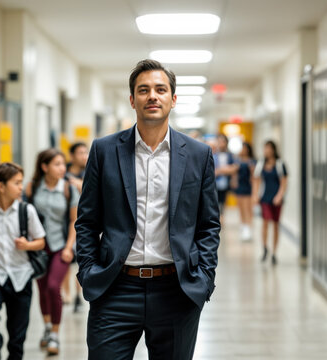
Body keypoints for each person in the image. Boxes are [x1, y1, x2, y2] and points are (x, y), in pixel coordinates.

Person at [76, 59, 221, 360]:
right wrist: (89, 271)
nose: (152, 96)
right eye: (143, 90)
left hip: (176, 290)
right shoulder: (104, 151)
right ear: (132, 100)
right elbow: (87, 221)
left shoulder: (197, 154)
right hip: (115, 287)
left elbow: (208, 224)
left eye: (160, 89)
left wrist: (204, 278)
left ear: (173, 99)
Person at [0, 163, 47, 360]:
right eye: (16, 183)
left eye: (21, 182)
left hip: (21, 275)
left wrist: (27, 245)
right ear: (1, 186)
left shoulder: (27, 211)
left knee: (17, 333)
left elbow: (41, 242)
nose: (21, 187)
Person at [26, 149, 79, 356]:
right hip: (38, 247)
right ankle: (47, 327)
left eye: (62, 164)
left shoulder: (68, 189)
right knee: (42, 289)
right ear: (44, 166)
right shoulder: (33, 188)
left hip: (60, 247)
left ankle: (55, 333)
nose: (62, 168)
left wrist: (69, 247)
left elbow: (74, 221)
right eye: (57, 164)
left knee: (53, 286)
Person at [252, 141, 288, 265]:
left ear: (273, 149)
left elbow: (284, 182)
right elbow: (256, 180)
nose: (266, 150)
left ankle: (274, 252)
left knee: (276, 224)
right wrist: (255, 195)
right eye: (265, 148)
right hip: (265, 198)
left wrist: (279, 196)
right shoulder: (261, 164)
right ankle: (265, 247)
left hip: (276, 198)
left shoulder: (280, 164)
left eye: (268, 148)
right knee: (265, 222)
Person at [64, 142, 88, 312]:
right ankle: (66, 293)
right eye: (80, 152)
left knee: (80, 260)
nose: (84, 156)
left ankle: (78, 296)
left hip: (84, 221)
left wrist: (80, 185)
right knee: (66, 259)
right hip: (65, 220)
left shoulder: (91, 171)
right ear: (72, 155)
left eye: (86, 152)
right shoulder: (63, 173)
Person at [233, 142, 256, 241]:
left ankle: (248, 227)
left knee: (248, 208)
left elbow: (254, 176)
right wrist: (234, 180)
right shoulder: (238, 161)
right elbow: (235, 172)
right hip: (240, 186)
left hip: (248, 187)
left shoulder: (252, 162)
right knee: (241, 207)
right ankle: (243, 225)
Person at [213, 134, 236, 218]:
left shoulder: (230, 155)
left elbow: (234, 168)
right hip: (214, 183)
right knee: (215, 202)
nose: (221, 143)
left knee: (223, 202)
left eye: (223, 141)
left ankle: (221, 217)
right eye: (219, 141)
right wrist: (223, 170)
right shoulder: (213, 154)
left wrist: (221, 170)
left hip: (225, 183)